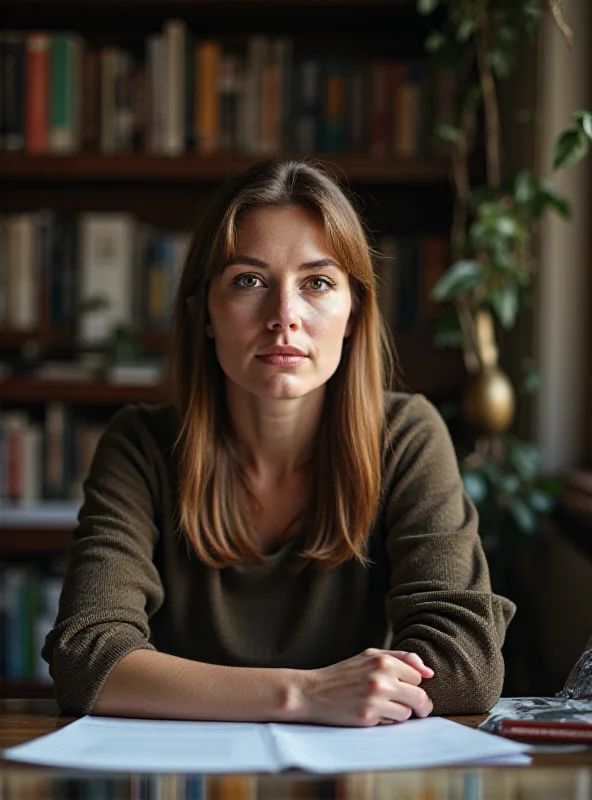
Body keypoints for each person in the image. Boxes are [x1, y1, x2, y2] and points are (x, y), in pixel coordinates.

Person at [42, 157, 516, 725]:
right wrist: (307, 694)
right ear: (206, 314)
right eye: (249, 281)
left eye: (317, 283)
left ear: (353, 314)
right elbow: (87, 660)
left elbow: (465, 666)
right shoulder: (141, 445)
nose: (284, 316)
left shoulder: (406, 436)